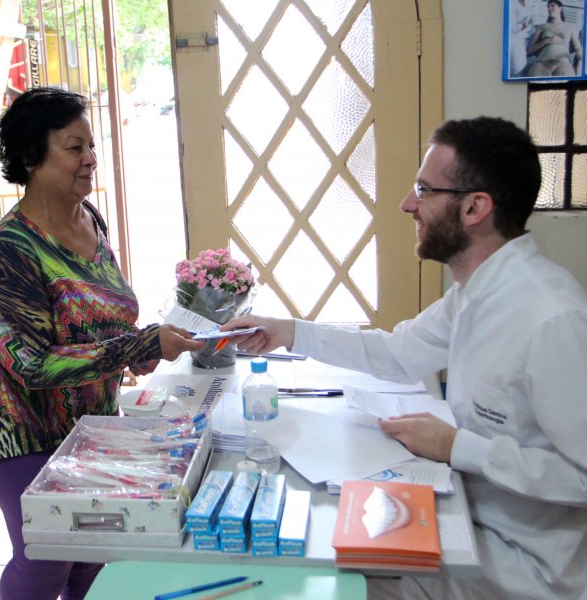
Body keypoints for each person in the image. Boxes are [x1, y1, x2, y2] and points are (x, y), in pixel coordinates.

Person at [224, 117, 587, 600]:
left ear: (475, 207)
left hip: (524, 566)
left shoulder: (549, 318)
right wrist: (290, 332)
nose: (407, 205)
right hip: (466, 518)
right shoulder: (477, 294)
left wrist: (457, 446)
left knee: (322, 581)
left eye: (424, 189)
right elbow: (397, 354)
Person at [0, 87, 205, 600]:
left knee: (95, 565)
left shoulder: (90, 221)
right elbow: (30, 365)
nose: (90, 159)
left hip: (89, 429)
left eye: (91, 146)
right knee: (46, 563)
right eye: (75, 148)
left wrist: (148, 346)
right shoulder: (7, 252)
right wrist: (137, 348)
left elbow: (104, 320)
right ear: (31, 156)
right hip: (23, 437)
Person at [526, 0, 583, 77]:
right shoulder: (542, 26)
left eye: (552, 5)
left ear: (560, 8)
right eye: (548, 7)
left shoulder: (570, 26)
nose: (549, 8)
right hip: (542, 62)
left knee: (566, 85)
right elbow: (530, 50)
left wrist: (580, 60)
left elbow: (578, 48)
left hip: (563, 62)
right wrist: (546, 41)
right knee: (534, 85)